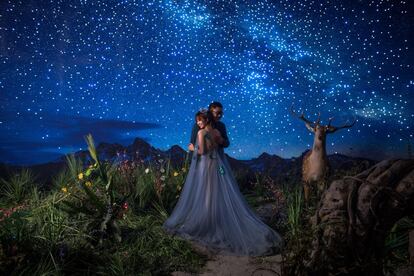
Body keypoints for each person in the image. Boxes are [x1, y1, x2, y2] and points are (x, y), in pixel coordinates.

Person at [162, 110, 283, 256]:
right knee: (217, 190)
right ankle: (215, 218)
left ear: (206, 120)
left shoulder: (200, 133)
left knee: (206, 192)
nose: (198, 123)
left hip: (205, 167)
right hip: (218, 167)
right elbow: (220, 146)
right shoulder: (217, 132)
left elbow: (202, 152)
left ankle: (208, 220)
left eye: (200, 120)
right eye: (197, 121)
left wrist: (192, 148)